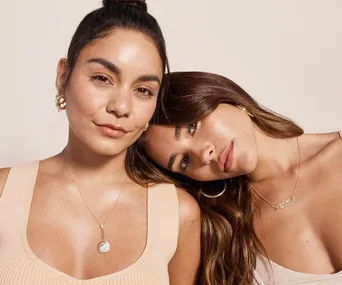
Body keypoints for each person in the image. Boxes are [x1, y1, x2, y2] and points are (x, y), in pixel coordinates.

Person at [0, 2, 201, 285]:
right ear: (62, 76)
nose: (121, 107)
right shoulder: (4, 193)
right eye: (102, 78)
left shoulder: (179, 215)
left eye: (143, 90)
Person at [140, 71, 342, 284]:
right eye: (184, 161)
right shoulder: (223, 235)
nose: (203, 154)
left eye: (192, 127)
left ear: (224, 97)